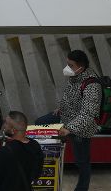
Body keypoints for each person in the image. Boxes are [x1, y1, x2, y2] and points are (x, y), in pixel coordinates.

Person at [39, 49, 102, 191]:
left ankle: (82, 188)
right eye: (67, 64)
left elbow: (88, 114)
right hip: (65, 117)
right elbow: (69, 96)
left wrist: (69, 129)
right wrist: (60, 108)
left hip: (81, 128)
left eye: (71, 65)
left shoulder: (92, 85)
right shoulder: (74, 77)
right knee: (39, 122)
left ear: (81, 67)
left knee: (82, 162)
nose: (67, 68)